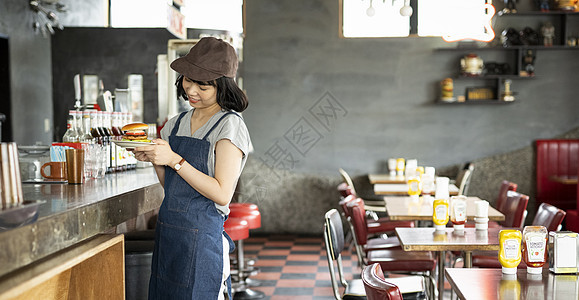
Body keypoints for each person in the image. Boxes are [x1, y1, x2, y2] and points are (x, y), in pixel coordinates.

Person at [132, 37, 251, 299]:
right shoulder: (174, 124)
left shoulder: (229, 126)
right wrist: (155, 158)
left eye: (203, 86)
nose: (192, 91)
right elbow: (172, 187)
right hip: (170, 235)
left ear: (223, 86)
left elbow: (221, 194)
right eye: (188, 80)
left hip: (203, 240)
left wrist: (174, 159)